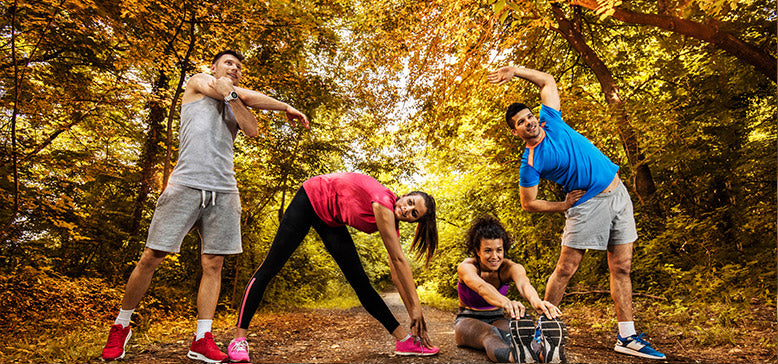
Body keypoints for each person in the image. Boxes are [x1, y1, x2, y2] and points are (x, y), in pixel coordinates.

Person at [100, 49, 310, 363]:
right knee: (151, 256)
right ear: (213, 67)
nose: (235, 68)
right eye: (229, 63)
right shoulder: (197, 82)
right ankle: (121, 326)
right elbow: (229, 91)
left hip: (224, 190)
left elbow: (251, 128)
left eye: (239, 66)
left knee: (213, 265)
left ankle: (202, 338)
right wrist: (260, 100)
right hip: (185, 184)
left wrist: (281, 106)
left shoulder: (234, 99)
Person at [487, 65, 666, 360]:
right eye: (521, 122)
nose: (529, 122)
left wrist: (515, 71)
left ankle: (627, 336)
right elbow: (528, 203)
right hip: (587, 206)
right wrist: (563, 205)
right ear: (516, 131)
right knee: (566, 269)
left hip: (619, 194)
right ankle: (542, 334)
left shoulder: (552, 121)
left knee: (622, 267)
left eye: (529, 116)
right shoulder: (531, 162)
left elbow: (547, 80)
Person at [226, 172, 441, 362]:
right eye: (410, 202)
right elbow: (399, 260)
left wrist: (414, 310)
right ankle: (238, 340)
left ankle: (404, 340)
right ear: (403, 196)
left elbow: (397, 275)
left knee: (361, 284)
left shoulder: (390, 222)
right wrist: (415, 310)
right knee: (270, 268)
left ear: (414, 223)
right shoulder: (383, 202)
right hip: (310, 198)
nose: (407, 210)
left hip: (330, 219)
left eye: (414, 214)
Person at [455, 215, 565, 363]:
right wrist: (506, 302)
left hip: (497, 317)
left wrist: (537, 301)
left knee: (515, 334)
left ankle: (542, 353)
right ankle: (513, 357)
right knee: (490, 334)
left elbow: (524, 285)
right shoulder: (466, 267)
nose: (495, 256)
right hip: (467, 319)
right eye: (488, 250)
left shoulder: (511, 267)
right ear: (477, 250)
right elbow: (481, 287)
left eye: (499, 250)